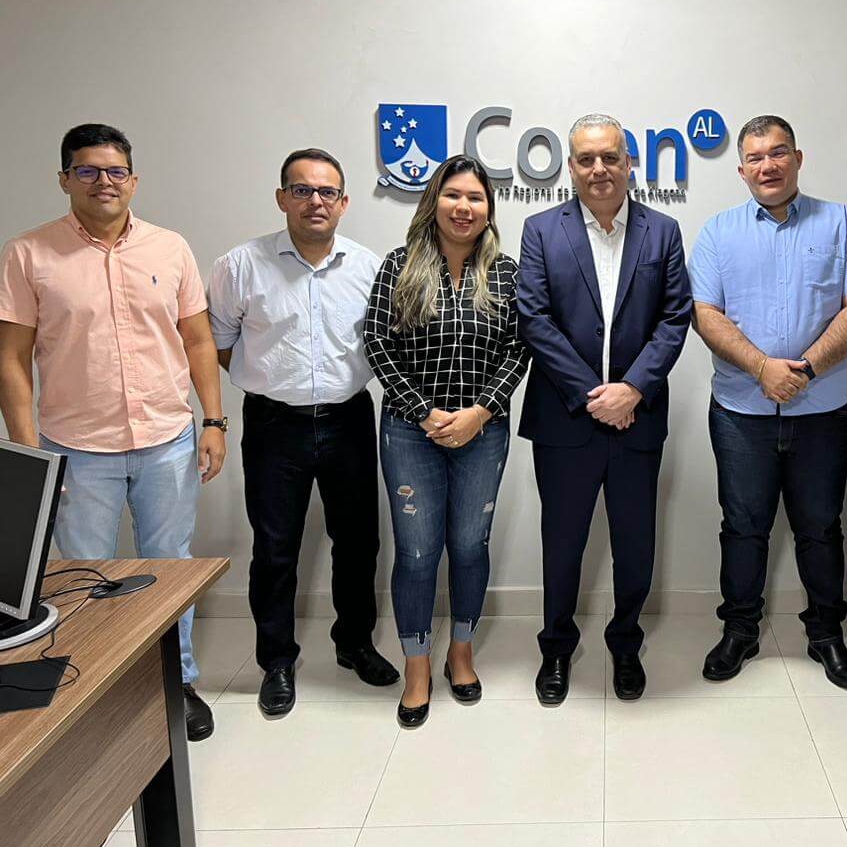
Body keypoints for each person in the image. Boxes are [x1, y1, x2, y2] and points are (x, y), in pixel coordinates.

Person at [0, 123, 225, 740]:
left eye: (115, 171)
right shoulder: (28, 254)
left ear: (133, 179)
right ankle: (97, 690)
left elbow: (198, 341)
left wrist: (212, 420)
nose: (103, 181)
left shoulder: (169, 248)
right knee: (83, 576)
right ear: (64, 179)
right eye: (87, 170)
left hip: (167, 440)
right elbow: (11, 360)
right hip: (75, 448)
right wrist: (29, 454)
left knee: (169, 567)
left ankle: (177, 683)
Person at [688, 115, 847, 690]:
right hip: (741, 412)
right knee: (743, 526)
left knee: (820, 527)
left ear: (798, 158)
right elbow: (705, 313)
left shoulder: (842, 221)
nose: (767, 165)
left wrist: (805, 369)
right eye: (755, 157)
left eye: (778, 153)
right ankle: (740, 631)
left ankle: (826, 634)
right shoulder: (718, 232)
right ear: (741, 169)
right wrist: (761, 368)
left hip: (823, 411)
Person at [207, 148, 399, 719]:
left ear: (343, 202)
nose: (315, 201)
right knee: (274, 549)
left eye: (326, 192)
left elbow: (383, 341)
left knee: (358, 543)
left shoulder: (368, 267)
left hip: (348, 419)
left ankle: (354, 644)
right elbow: (218, 343)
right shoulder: (240, 266)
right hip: (274, 425)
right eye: (302, 190)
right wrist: (274, 381)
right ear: (281, 198)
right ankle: (276, 661)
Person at [516, 113, 691, 704]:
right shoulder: (541, 230)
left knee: (635, 543)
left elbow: (674, 317)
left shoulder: (662, 231)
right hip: (566, 419)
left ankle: (625, 642)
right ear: (570, 167)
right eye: (587, 159)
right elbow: (534, 318)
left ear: (628, 163)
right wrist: (596, 395)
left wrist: (633, 389)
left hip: (637, 418)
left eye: (610, 157)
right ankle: (556, 647)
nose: (599, 169)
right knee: (562, 543)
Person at [365, 154, 528, 727]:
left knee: (468, 546)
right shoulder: (399, 265)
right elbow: (377, 344)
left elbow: (519, 349)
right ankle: (417, 665)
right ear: (434, 201)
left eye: (476, 198)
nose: (464, 207)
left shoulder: (506, 273)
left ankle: (460, 651)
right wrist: (425, 412)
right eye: (453, 195)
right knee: (415, 553)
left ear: (489, 209)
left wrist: (479, 413)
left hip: (483, 430)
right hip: (411, 432)